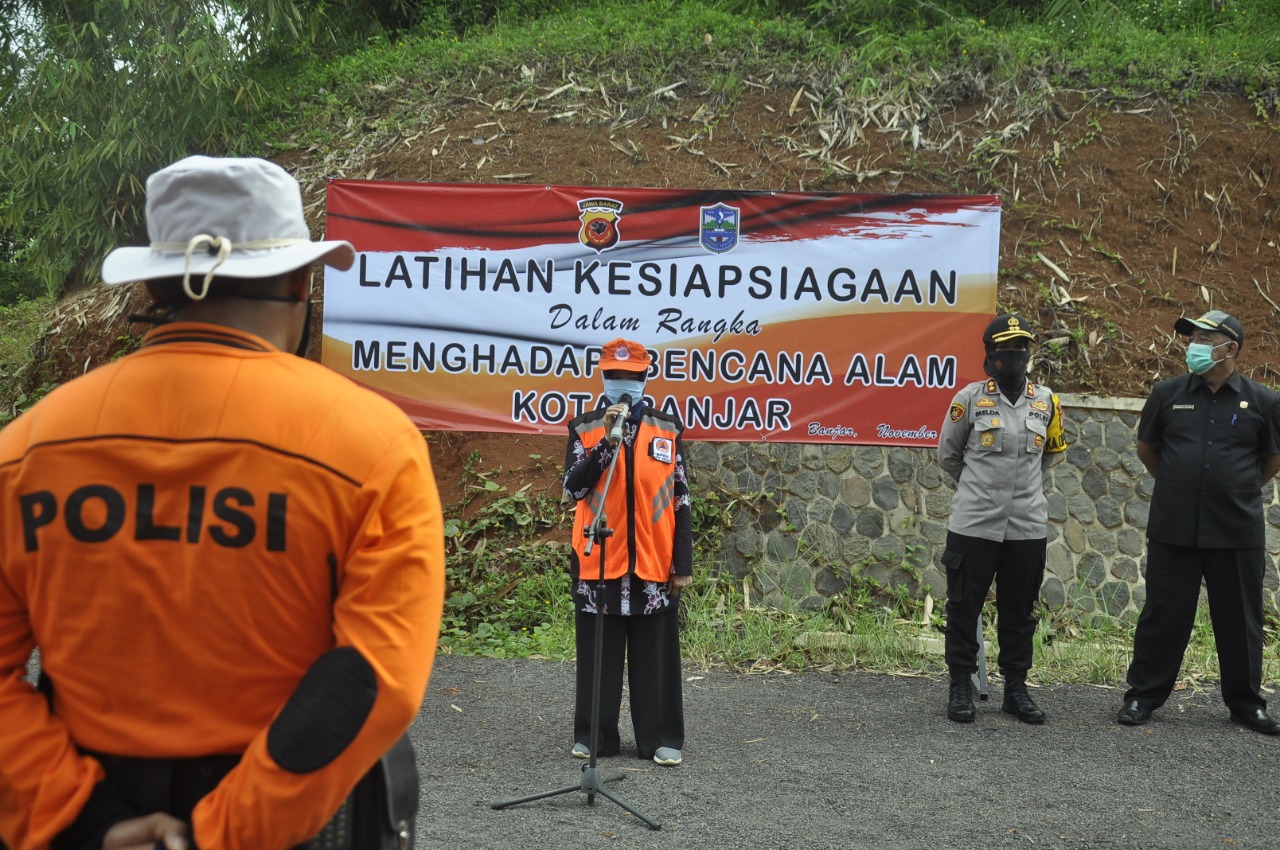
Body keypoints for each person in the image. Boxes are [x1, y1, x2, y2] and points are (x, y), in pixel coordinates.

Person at [0, 156, 446, 850]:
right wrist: (217, 834)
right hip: (287, 823)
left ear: (150, 282)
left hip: (88, 814)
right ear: (301, 280)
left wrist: (87, 818)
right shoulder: (374, 448)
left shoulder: (25, 450)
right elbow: (372, 678)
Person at [1117, 310, 1280, 733]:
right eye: (1192, 338)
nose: (1195, 346)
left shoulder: (1263, 401)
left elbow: (1271, 459)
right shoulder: (1167, 393)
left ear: (1231, 348)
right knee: (1163, 616)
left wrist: (1236, 489)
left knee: (1240, 620)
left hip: (1236, 529)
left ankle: (1246, 704)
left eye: (1205, 338)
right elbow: (1147, 449)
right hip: (1175, 526)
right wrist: (1180, 485)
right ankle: (1142, 696)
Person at [563, 339, 692, 766]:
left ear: (645, 379)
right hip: (600, 558)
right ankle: (595, 737)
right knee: (598, 655)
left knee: (653, 656)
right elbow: (573, 488)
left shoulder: (668, 429)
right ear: (602, 379)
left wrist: (682, 563)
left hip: (653, 561)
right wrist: (606, 440)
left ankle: (658, 738)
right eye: (615, 377)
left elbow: (682, 499)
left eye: (632, 377)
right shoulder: (584, 428)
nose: (623, 385)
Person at [936, 314, 1067, 724]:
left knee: (1019, 610)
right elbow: (948, 456)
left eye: (1021, 349)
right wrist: (982, 489)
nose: (1014, 357)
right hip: (974, 523)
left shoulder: (1047, 401)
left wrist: (1017, 492)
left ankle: (1016, 689)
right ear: (989, 356)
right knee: (963, 607)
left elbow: (1051, 456)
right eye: (1006, 350)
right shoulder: (969, 400)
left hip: (1027, 526)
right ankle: (961, 686)